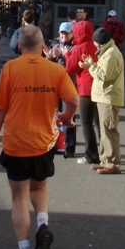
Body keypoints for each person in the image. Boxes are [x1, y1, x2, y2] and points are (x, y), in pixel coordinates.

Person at [0, 25, 79, 249]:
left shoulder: (10, 69)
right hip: (43, 143)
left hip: (16, 143)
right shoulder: (54, 70)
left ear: (19, 45)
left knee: (19, 198)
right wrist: (67, 117)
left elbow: (0, 108)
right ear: (42, 46)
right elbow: (74, 100)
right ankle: (43, 224)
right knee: (39, 189)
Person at [79, 28, 125, 174]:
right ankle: (105, 160)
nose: (95, 46)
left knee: (109, 130)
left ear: (101, 43)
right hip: (104, 96)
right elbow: (103, 70)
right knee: (104, 130)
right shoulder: (108, 51)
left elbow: (104, 75)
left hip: (109, 97)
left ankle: (112, 163)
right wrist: (92, 63)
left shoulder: (111, 54)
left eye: (96, 44)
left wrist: (90, 66)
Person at [64, 7, 99, 166]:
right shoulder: (95, 45)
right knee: (99, 123)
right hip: (98, 85)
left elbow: (70, 68)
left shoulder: (79, 47)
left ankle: (91, 154)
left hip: (85, 88)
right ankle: (104, 151)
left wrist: (67, 54)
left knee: (86, 122)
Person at [46, 22, 77, 158]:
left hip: (69, 87)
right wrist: (50, 55)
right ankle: (55, 144)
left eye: (66, 33)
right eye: (62, 33)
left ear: (72, 34)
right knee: (55, 116)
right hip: (55, 86)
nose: (64, 36)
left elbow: (74, 66)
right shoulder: (56, 46)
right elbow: (49, 63)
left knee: (68, 116)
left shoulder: (75, 48)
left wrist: (65, 56)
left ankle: (69, 147)